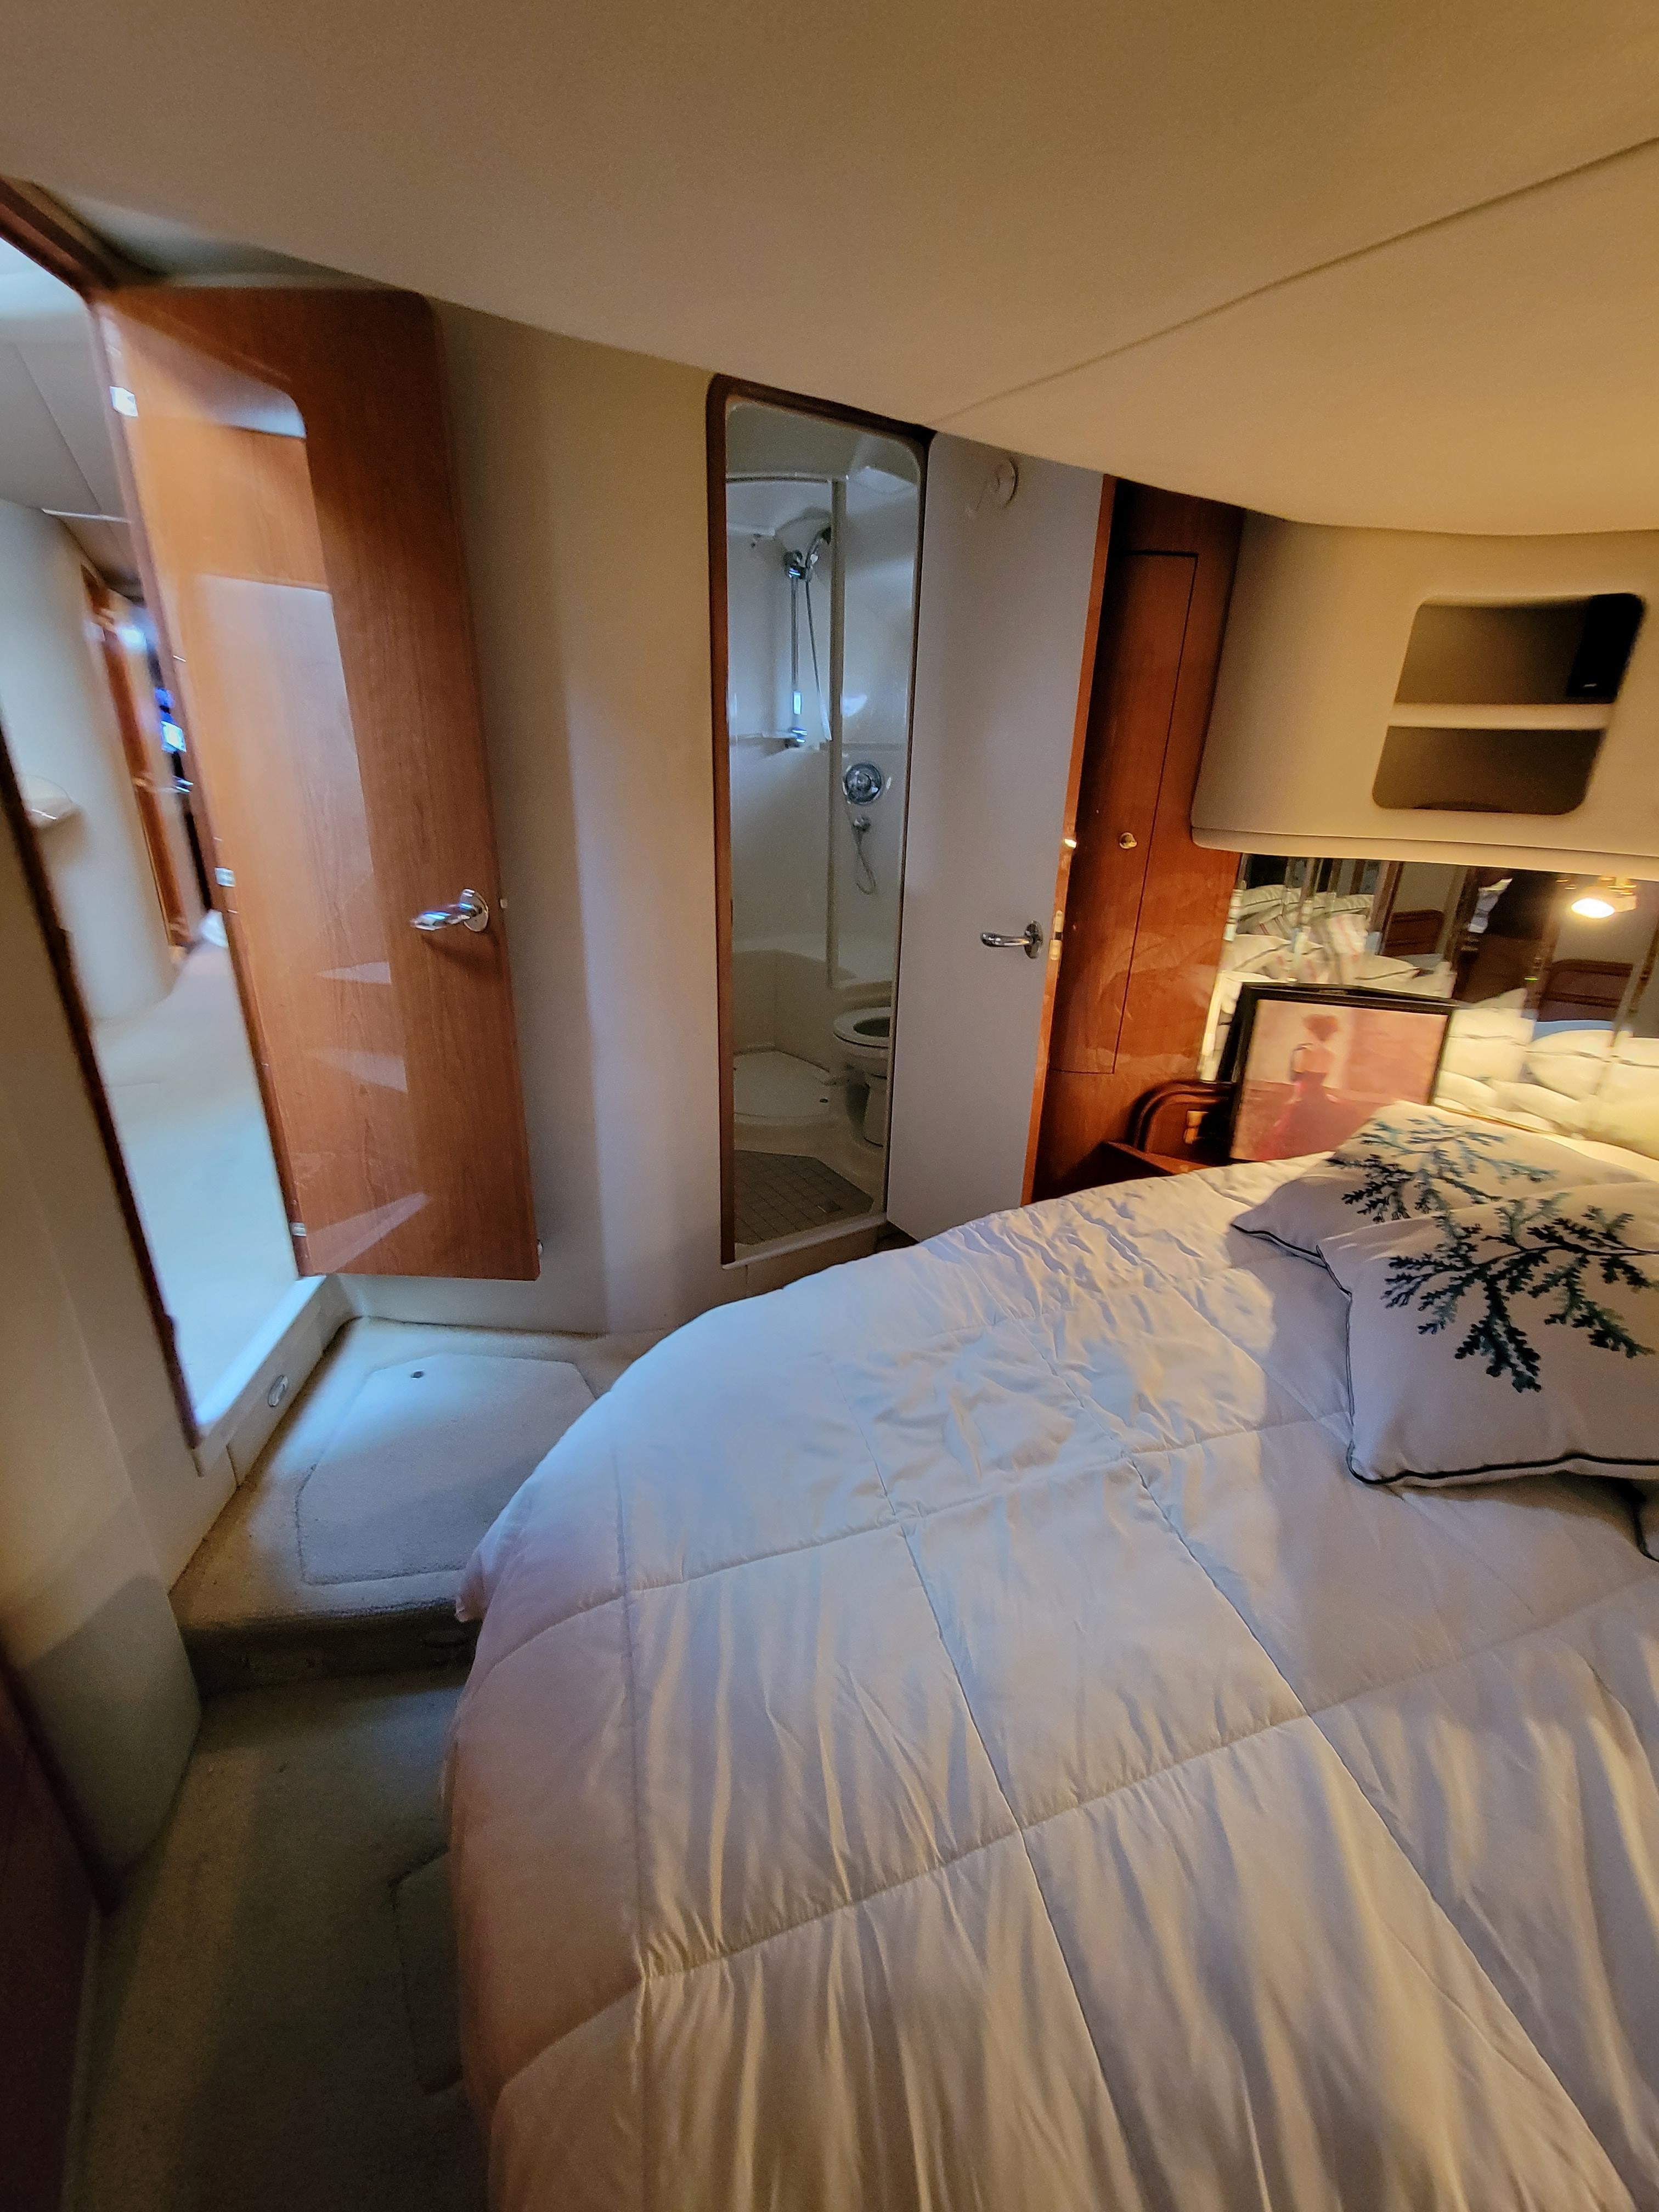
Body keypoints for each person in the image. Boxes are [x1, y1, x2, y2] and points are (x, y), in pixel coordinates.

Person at [1262, 1009, 1355, 1156]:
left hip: (1303, 1099)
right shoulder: (1330, 1056)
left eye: (1307, 1031)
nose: (1306, 1034)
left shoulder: (1303, 1053)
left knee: (1287, 1136)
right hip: (1320, 1099)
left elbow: (1295, 1078)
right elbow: (1317, 1081)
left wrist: (1295, 1052)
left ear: (1312, 1032)